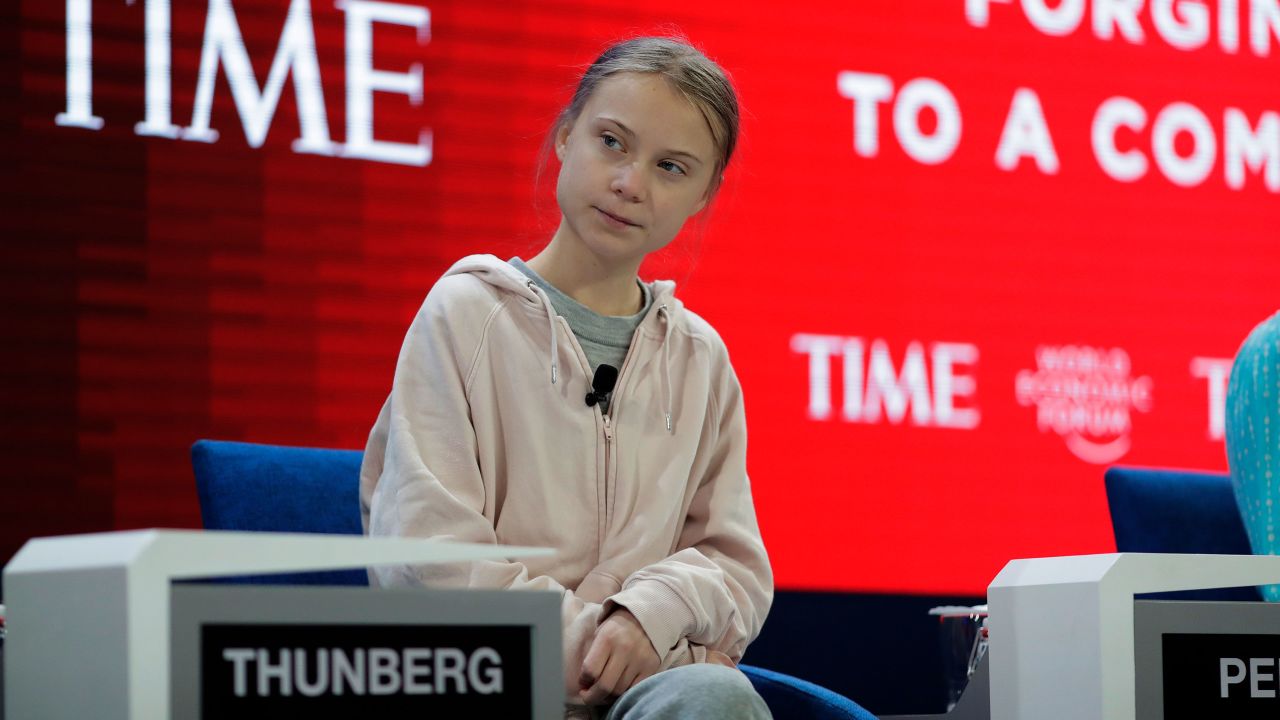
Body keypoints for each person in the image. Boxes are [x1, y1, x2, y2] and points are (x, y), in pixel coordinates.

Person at [360, 36, 773, 719]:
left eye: (671, 167)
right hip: (484, 686)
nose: (630, 183)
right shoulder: (465, 316)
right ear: (564, 137)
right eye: (612, 142)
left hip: (640, 696)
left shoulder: (701, 360)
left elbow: (734, 569)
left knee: (716, 698)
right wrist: (605, 644)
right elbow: (427, 562)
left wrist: (651, 618)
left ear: (703, 195)